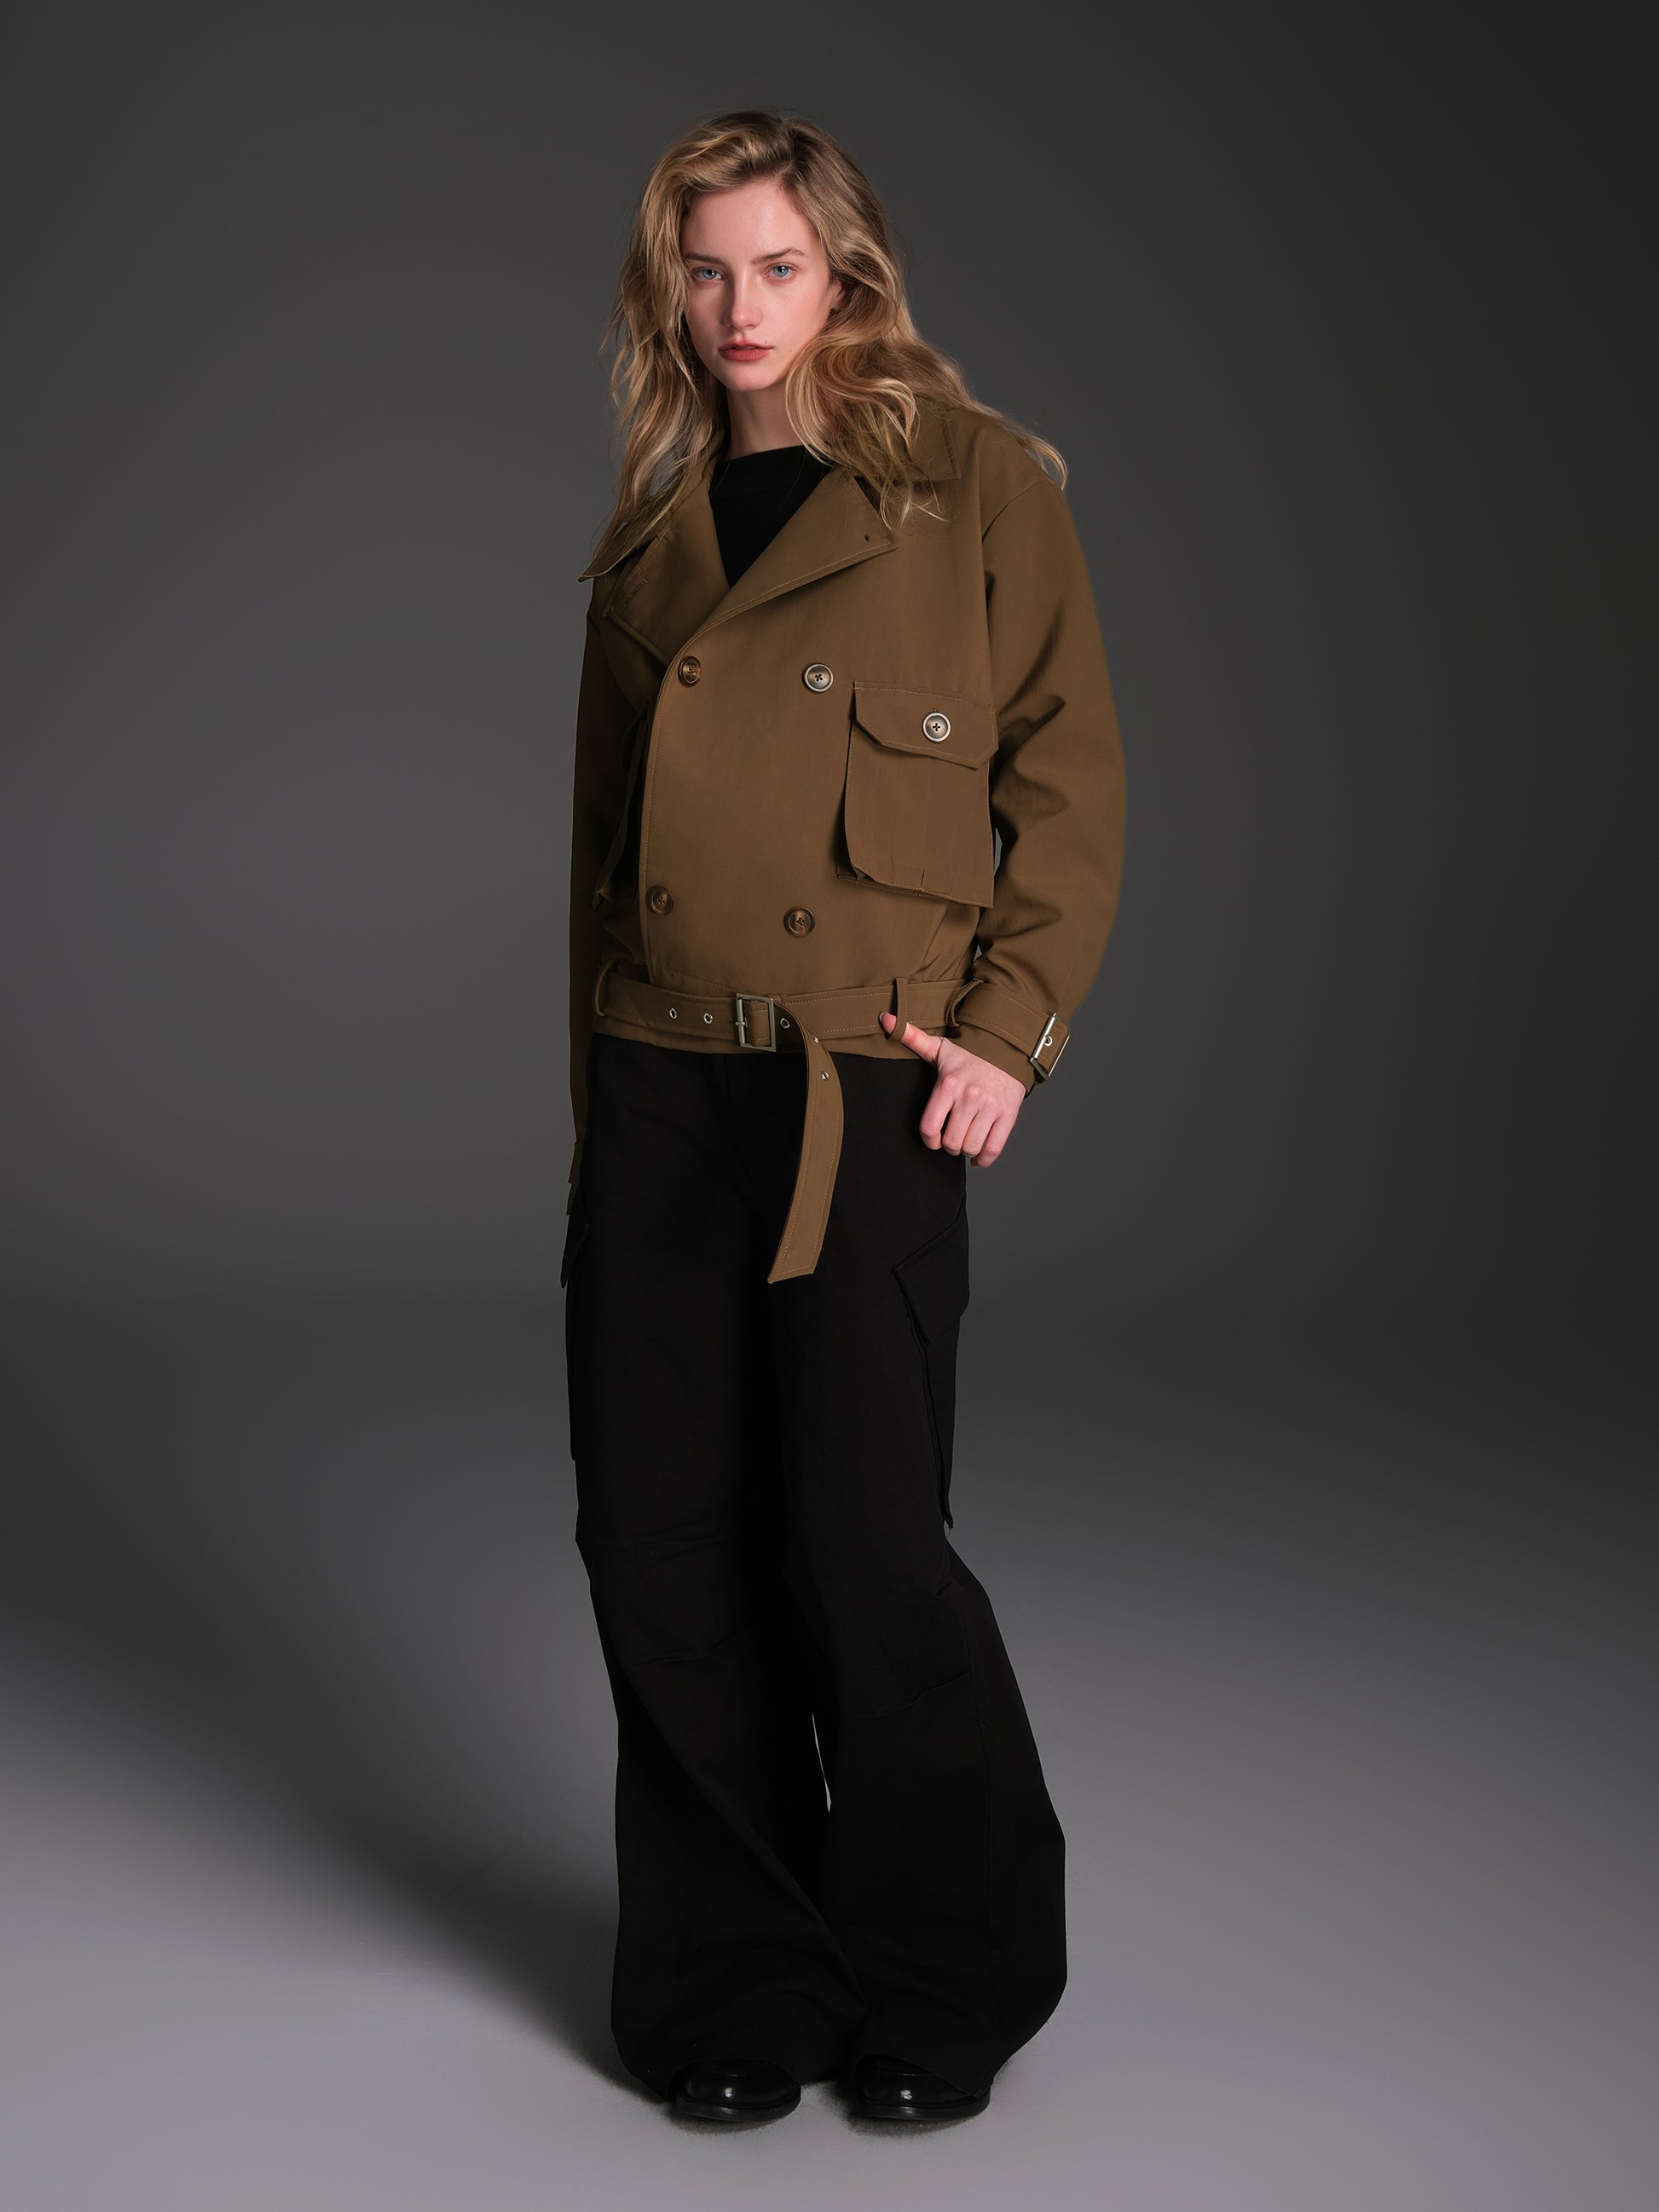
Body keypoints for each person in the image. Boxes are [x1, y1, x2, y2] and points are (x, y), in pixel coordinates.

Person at [561, 109, 1125, 2126]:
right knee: (659, 1534)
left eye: (777, 267)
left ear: (847, 277)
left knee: (861, 1533)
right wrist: (595, 1125)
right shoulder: (651, 532)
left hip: (857, 1082)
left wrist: (1007, 1030)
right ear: (670, 287)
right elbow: (596, 873)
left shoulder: (971, 485)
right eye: (705, 269)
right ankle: (735, 1977)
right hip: (661, 1082)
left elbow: (1068, 771)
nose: (739, 306)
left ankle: (941, 1969)